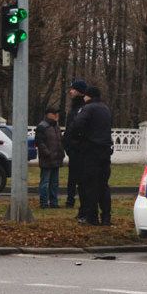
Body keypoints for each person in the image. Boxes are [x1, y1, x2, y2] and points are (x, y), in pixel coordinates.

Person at [69, 86, 114, 226]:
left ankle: (92, 217)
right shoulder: (105, 109)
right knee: (103, 185)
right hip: (105, 152)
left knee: (90, 185)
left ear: (88, 96)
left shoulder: (88, 108)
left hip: (91, 152)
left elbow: (76, 126)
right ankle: (106, 217)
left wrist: (78, 139)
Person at [63, 79, 88, 208]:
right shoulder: (73, 108)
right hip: (73, 148)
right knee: (72, 176)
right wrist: (67, 145)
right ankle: (70, 199)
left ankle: (82, 201)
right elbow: (69, 128)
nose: (70, 91)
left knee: (82, 176)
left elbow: (77, 128)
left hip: (80, 148)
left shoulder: (83, 108)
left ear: (79, 91)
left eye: (73, 89)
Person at [34, 107, 65, 208]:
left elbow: (59, 141)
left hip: (56, 159)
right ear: (48, 114)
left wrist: (61, 153)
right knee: (45, 182)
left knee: (54, 183)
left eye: (57, 113)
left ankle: (54, 203)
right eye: (54, 113)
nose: (57, 115)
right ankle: (43, 203)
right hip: (47, 159)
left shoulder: (56, 126)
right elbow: (40, 142)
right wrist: (48, 153)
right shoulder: (42, 126)